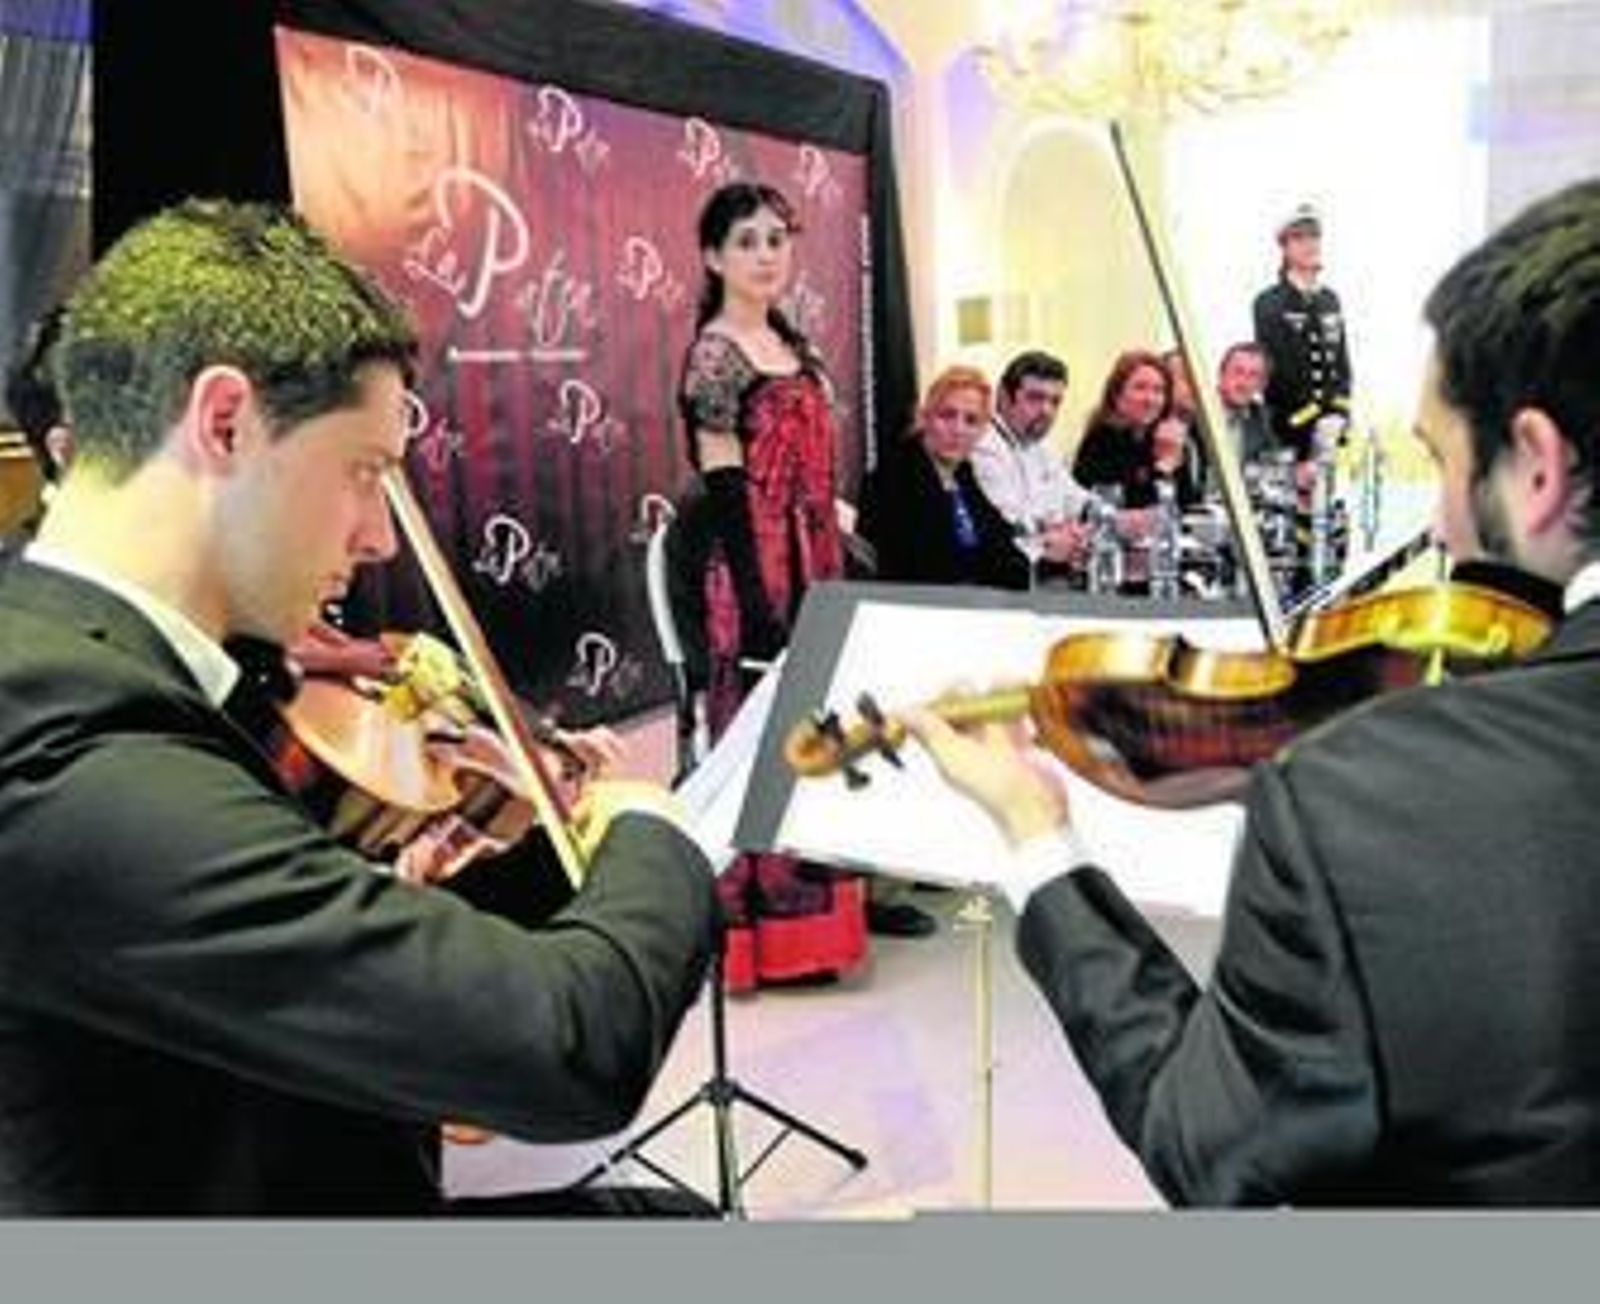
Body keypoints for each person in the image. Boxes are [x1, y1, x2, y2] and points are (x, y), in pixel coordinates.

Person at [0, 198, 720, 1215]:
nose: (380, 535)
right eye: (364, 471)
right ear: (224, 422)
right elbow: (570, 1049)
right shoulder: (60, 750)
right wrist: (654, 828)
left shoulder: (103, 654)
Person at [907, 177, 1600, 1205]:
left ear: (1535, 466)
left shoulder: (1356, 800)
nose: (1444, 529)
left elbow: (1205, 1147)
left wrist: (1035, 834)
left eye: (1439, 460)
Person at [676, 181, 872, 975]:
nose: (766, 255)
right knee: (761, 735)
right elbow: (724, 485)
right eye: (748, 241)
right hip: (756, 564)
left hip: (815, 557)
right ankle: (762, 932)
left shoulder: (796, 345)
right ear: (714, 256)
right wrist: (759, 602)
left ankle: (821, 931)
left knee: (819, 730)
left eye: (777, 239)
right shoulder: (716, 354)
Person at [857, 364, 1030, 592]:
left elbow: (1003, 546)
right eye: (947, 415)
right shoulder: (892, 479)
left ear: (982, 431)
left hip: (972, 603)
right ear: (925, 416)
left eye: (971, 420)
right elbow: (923, 570)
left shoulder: (962, 474)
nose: (958, 429)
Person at [969, 350, 1094, 579]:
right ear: (1005, 397)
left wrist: (1113, 516)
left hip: (1046, 570)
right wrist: (1055, 528)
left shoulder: (1042, 444)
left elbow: (1075, 499)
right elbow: (1013, 524)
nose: (1047, 410)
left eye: (1055, 401)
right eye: (1035, 398)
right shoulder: (983, 444)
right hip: (1006, 580)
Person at [1252, 202, 1353, 458]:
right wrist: (1312, 417)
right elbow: (1277, 370)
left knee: (1325, 494)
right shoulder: (1269, 302)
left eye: (1314, 236)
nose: (1310, 244)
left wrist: (1340, 413)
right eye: (1299, 237)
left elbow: (1342, 363)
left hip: (1330, 429)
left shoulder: (1330, 299)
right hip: (1288, 429)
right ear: (1284, 247)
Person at [1073, 349, 1198, 511]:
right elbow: (1126, 510)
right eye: (1140, 388)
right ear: (1117, 395)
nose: (1150, 399)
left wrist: (1174, 464)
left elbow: (1188, 506)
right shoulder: (1102, 440)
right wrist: (1163, 467)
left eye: (1159, 390)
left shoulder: (1165, 436)